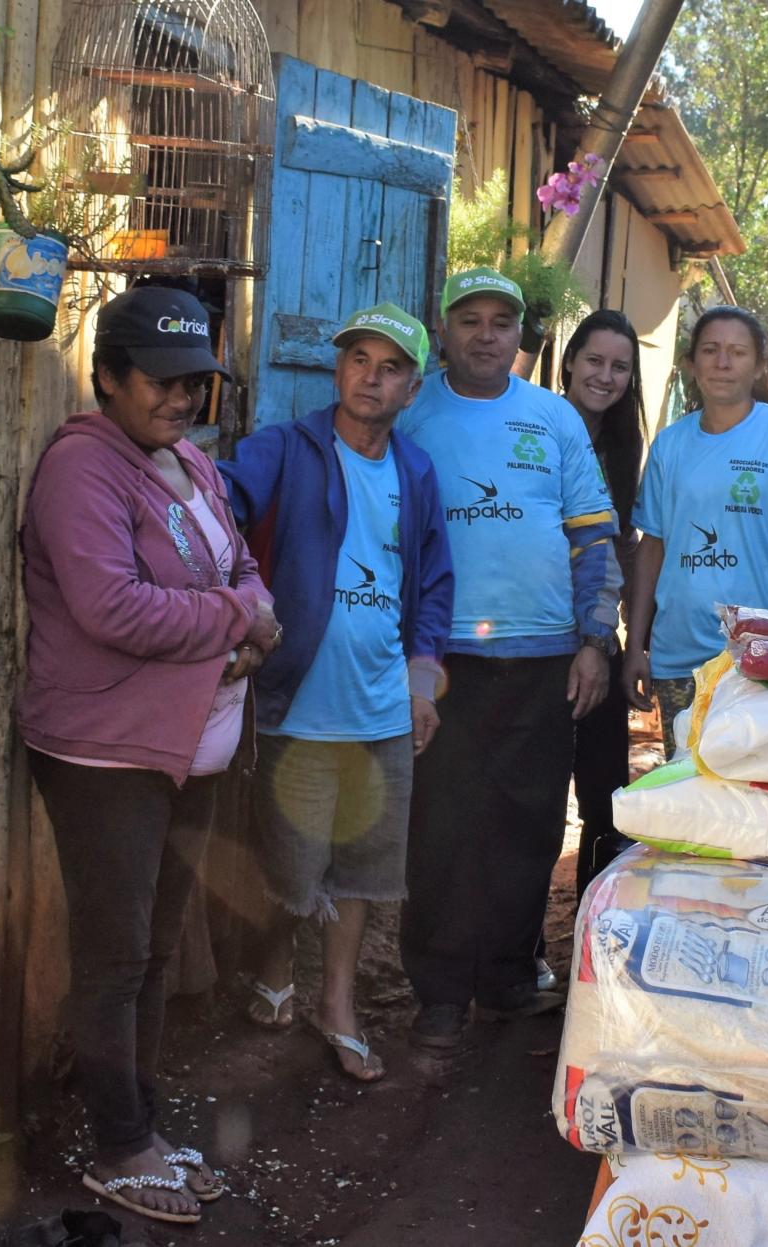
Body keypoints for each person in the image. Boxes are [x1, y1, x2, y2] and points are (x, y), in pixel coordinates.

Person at [20, 286, 278, 1226]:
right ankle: (117, 1147)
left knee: (158, 948)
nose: (181, 398)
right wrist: (237, 620)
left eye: (194, 382)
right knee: (117, 955)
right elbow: (113, 606)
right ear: (108, 377)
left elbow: (241, 564)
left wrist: (245, 608)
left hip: (185, 747)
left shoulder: (190, 462)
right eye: (161, 381)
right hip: (105, 753)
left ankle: (143, 1127)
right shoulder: (82, 469)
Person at [219, 303, 454, 1082]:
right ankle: (275, 965)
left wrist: (423, 679)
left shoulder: (415, 472)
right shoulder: (286, 449)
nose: (370, 378)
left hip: (379, 709)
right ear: (337, 368)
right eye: (359, 360)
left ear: (412, 389)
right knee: (289, 865)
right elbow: (222, 501)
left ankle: (339, 1003)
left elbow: (433, 584)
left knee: (361, 869)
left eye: (390, 368)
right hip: (297, 701)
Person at [394, 267, 622, 1047]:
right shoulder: (412, 410)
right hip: (444, 655)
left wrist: (594, 641)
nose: (486, 335)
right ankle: (440, 993)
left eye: (501, 321)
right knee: (441, 826)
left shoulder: (553, 418)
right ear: (444, 329)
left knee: (528, 824)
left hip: (544, 656)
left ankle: (508, 978)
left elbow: (594, 536)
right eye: (470, 320)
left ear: (520, 333)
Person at [623, 306, 768, 753]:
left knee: (750, 781)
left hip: (753, 657)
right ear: (691, 363)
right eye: (710, 350)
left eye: (737, 352)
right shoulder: (670, 444)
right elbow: (652, 545)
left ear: (759, 366)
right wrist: (636, 646)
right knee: (684, 773)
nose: (722, 363)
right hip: (677, 654)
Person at [556, 309, 647, 896]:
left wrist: (634, 641)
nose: (605, 377)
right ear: (568, 361)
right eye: (594, 360)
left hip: (597, 636)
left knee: (606, 796)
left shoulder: (622, 446)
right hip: (537, 633)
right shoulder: (536, 427)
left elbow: (626, 545)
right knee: (532, 795)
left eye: (619, 367)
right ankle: (521, 939)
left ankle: (591, 919)